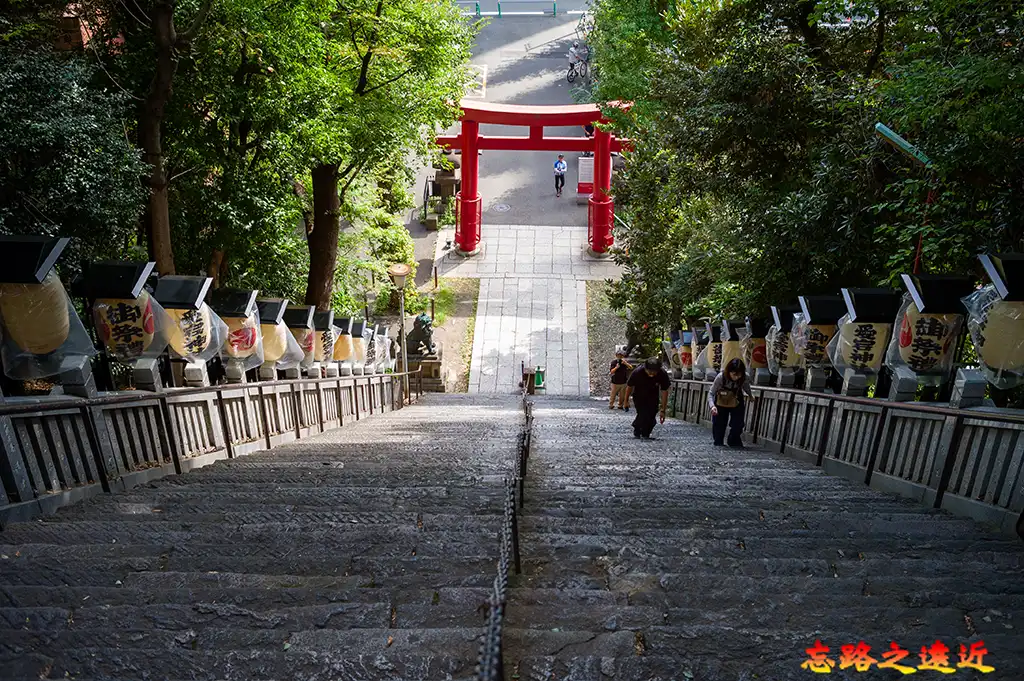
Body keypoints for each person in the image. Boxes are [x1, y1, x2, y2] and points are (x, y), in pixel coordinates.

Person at [708, 358, 754, 448]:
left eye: (739, 375)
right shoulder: (721, 377)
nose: (736, 377)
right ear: (729, 371)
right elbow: (711, 393)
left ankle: (733, 440)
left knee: (738, 423)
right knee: (719, 423)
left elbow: (746, 386)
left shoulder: (744, 377)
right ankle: (718, 441)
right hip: (721, 400)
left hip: (736, 399)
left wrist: (750, 395)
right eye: (734, 374)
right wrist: (712, 406)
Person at [625, 357, 670, 439]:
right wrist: (626, 401)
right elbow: (629, 386)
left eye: (654, 372)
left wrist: (663, 409)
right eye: (650, 371)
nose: (652, 374)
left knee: (652, 414)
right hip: (639, 395)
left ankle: (646, 432)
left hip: (653, 396)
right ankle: (637, 429)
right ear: (645, 369)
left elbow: (664, 391)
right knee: (643, 413)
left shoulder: (662, 373)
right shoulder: (638, 372)